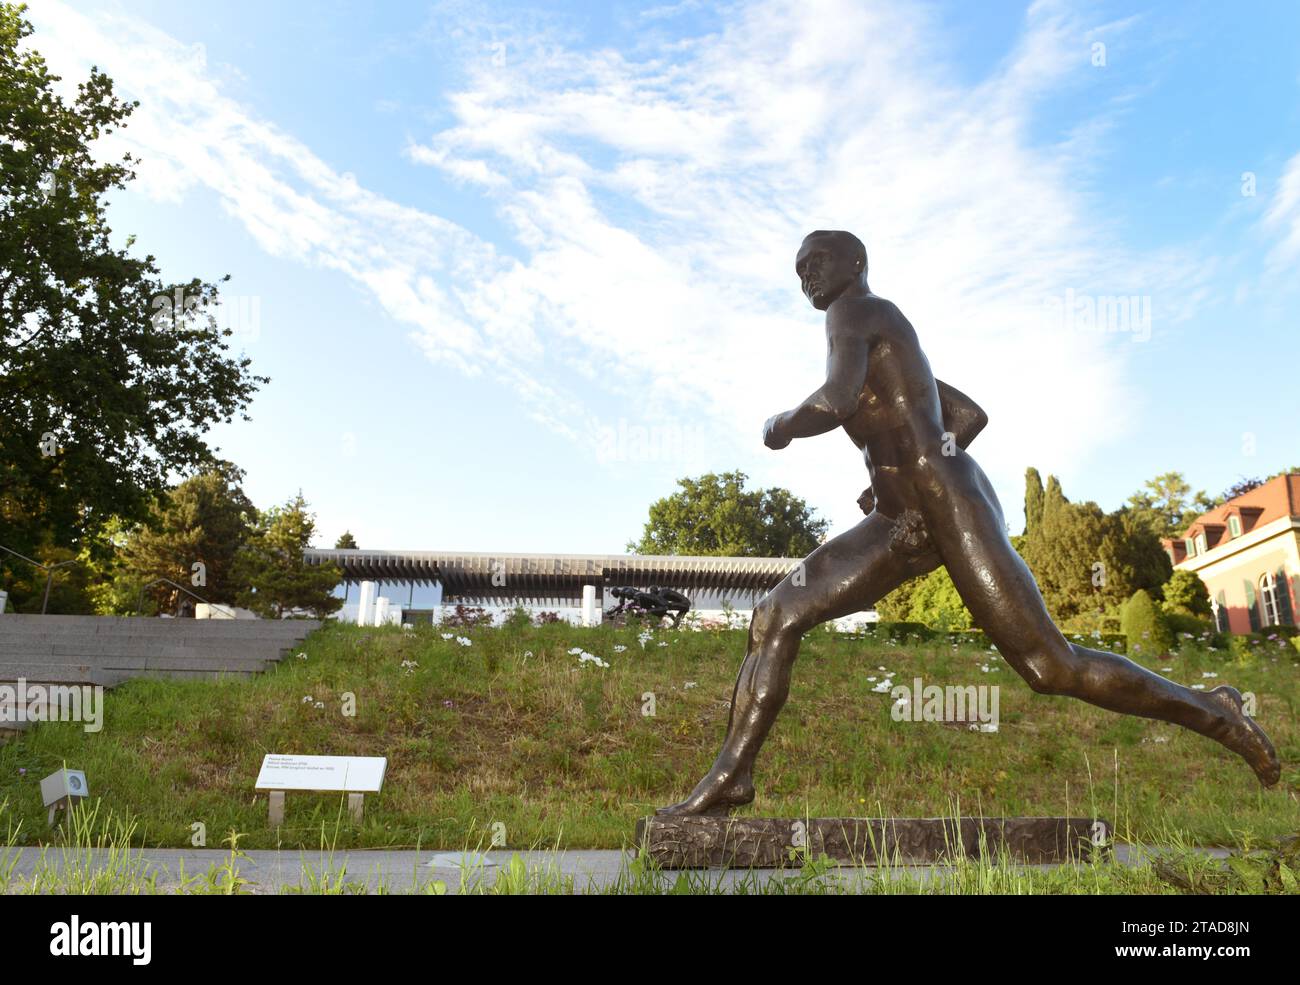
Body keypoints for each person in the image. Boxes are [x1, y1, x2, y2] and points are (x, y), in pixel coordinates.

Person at [657, 230, 1279, 816]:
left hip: (951, 506)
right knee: (775, 615)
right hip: (903, 516)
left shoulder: (856, 313)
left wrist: (781, 425)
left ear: (855, 265)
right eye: (798, 270)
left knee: (1049, 668)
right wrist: (894, 480)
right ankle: (734, 773)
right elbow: (967, 415)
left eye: (815, 261)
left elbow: (836, 401)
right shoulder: (891, 337)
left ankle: (1214, 711)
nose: (806, 277)